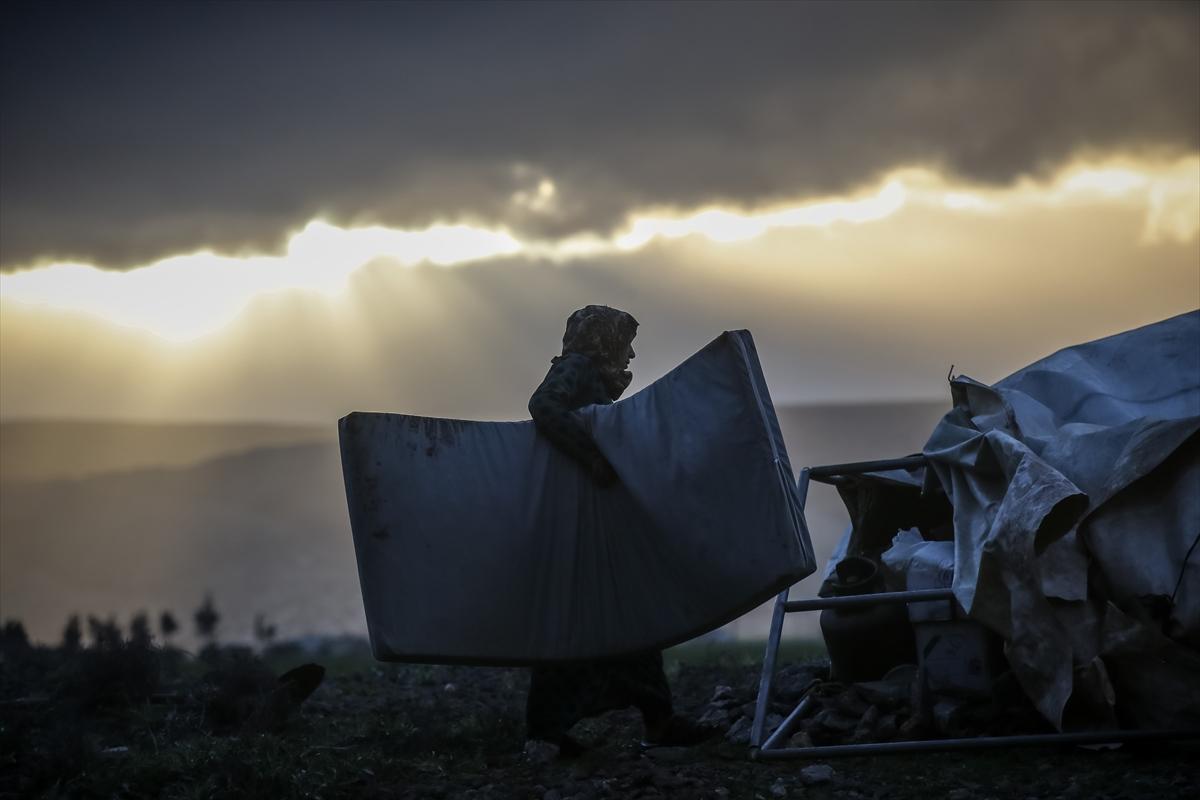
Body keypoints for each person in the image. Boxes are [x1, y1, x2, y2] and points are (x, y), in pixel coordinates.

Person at [525, 304, 714, 756]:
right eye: (625, 344)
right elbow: (543, 405)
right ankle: (547, 737)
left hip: (592, 521)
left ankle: (656, 720)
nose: (630, 356)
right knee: (585, 626)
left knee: (627, 622)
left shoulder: (589, 375)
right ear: (602, 340)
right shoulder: (576, 367)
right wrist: (591, 458)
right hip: (578, 525)